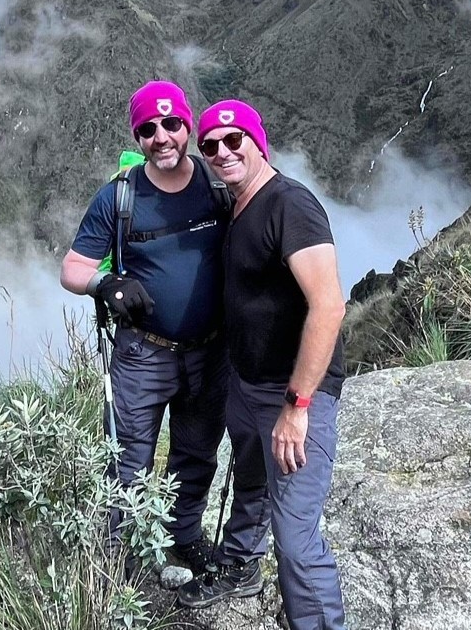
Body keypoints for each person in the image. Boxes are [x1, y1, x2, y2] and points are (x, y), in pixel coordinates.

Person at [59, 80, 247, 579]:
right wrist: (106, 284)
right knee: (127, 458)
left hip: (210, 352)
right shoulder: (119, 198)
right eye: (148, 129)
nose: (161, 136)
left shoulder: (216, 186)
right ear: (137, 136)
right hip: (143, 353)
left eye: (171, 124)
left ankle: (183, 536)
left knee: (197, 451)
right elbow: (72, 268)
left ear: (187, 126)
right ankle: (122, 555)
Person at [177, 99, 347, 630]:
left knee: (296, 540)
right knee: (250, 482)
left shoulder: (288, 205)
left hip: (292, 392)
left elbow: (328, 305)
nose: (223, 152)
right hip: (246, 385)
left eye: (234, 141)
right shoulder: (238, 204)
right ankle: (241, 565)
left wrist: (297, 407)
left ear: (257, 140)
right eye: (210, 146)